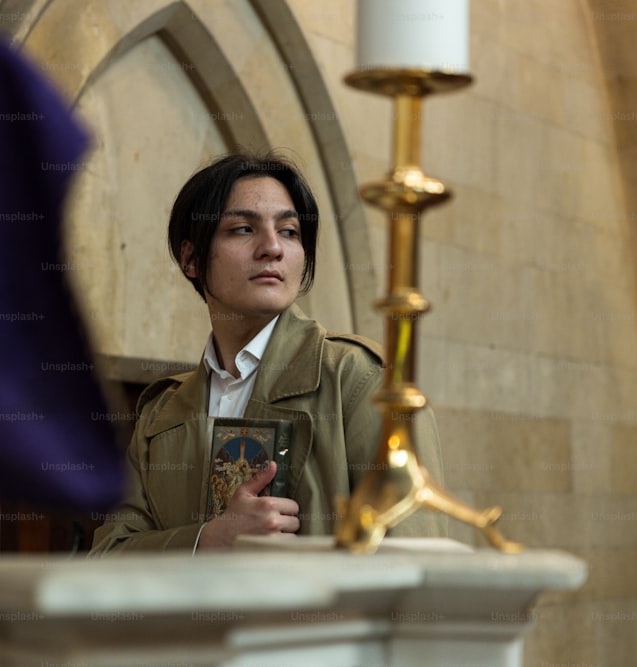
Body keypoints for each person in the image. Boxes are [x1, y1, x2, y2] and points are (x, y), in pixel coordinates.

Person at [89, 152, 446, 553]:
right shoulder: (159, 414)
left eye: (290, 231)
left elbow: (415, 565)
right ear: (190, 258)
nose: (273, 248)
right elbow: (108, 555)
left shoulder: (360, 380)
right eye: (243, 229)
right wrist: (205, 542)